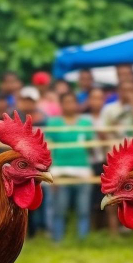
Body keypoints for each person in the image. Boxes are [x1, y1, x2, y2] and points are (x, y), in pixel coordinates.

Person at [45, 92, 94, 242]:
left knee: (84, 209)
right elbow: (49, 148)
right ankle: (57, 241)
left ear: (77, 104)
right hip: (60, 171)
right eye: (66, 102)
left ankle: (83, 241)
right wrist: (50, 172)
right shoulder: (54, 123)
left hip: (83, 170)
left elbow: (91, 148)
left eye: (72, 102)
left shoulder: (86, 123)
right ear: (61, 104)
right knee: (59, 209)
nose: (70, 105)